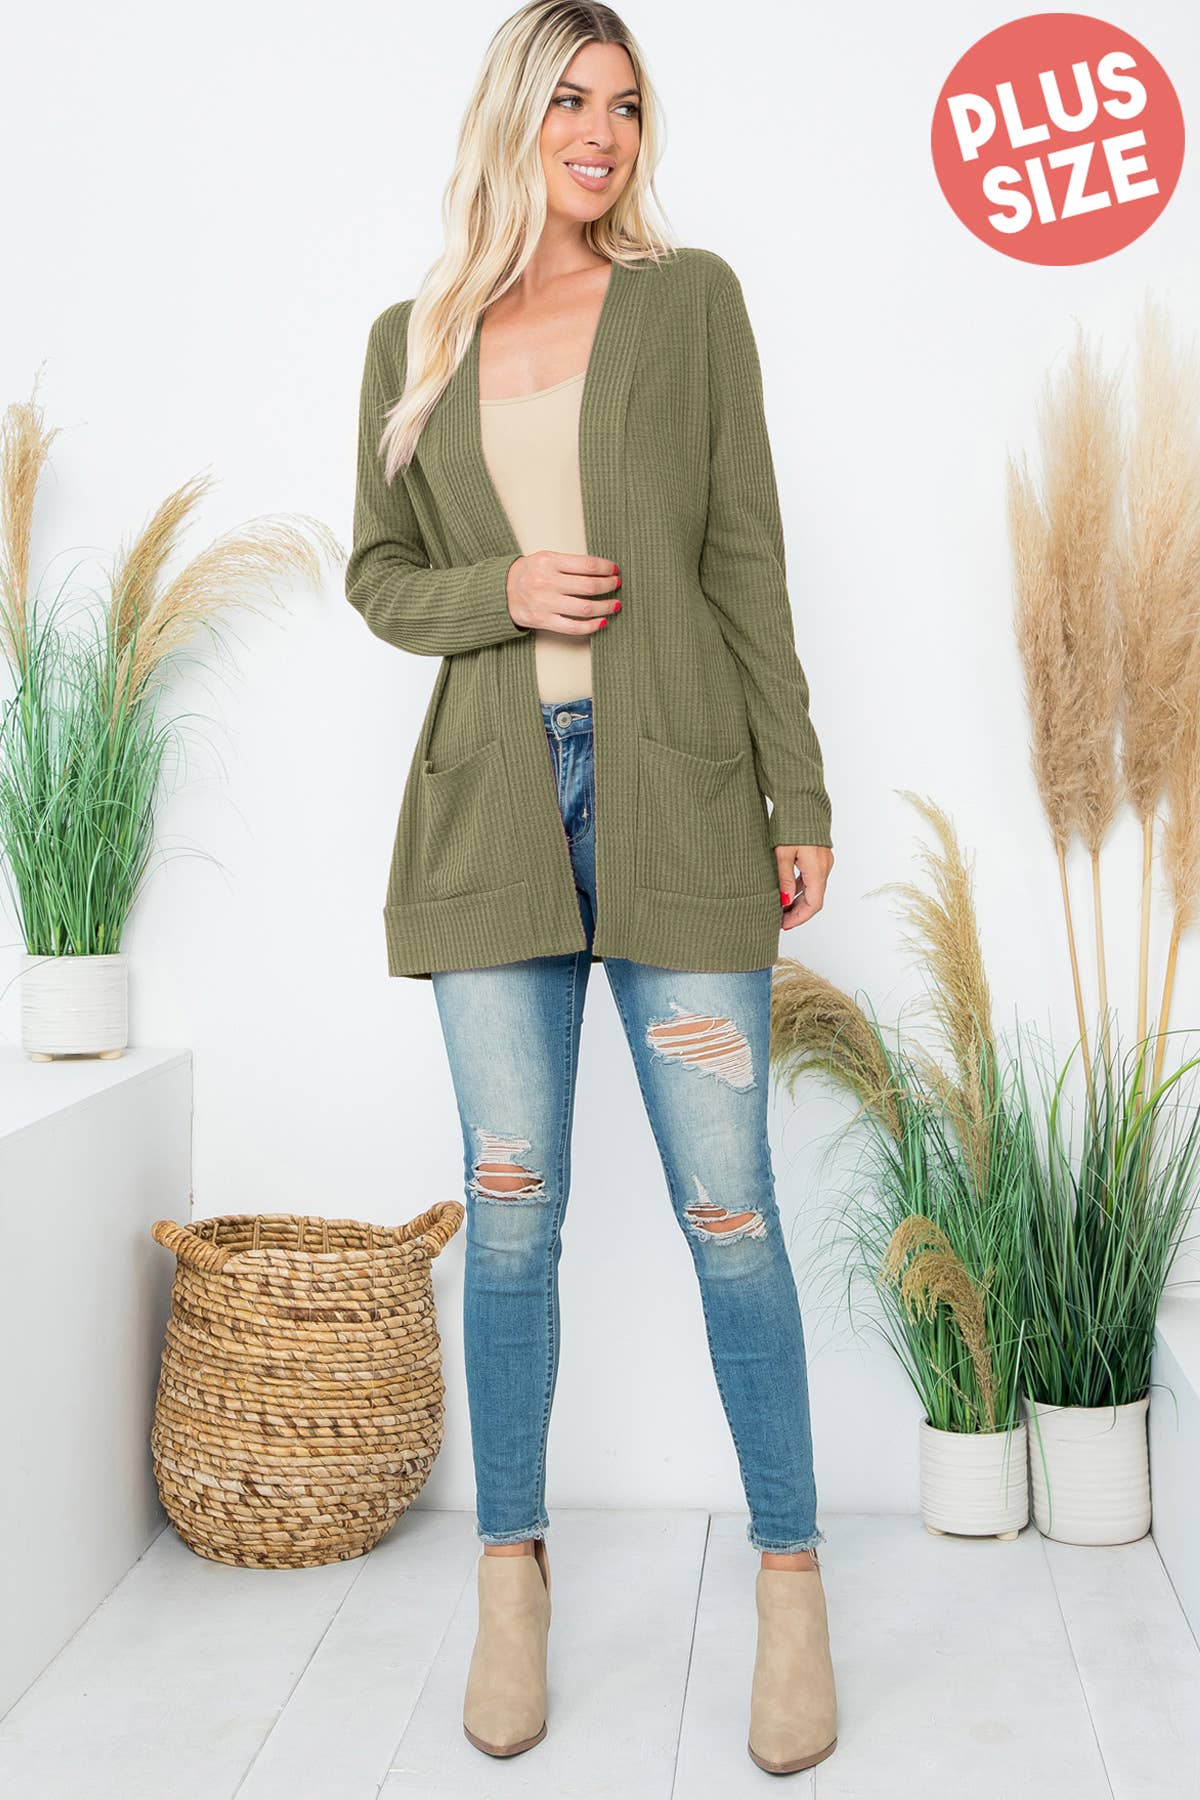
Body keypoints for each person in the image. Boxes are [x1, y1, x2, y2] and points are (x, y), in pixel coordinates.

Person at [346, 0, 838, 1775]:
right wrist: (504, 593)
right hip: (495, 818)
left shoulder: (690, 302)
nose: (601, 130)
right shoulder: (414, 339)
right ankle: (512, 1582)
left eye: (625, 103)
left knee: (732, 1212)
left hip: (684, 805)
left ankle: (791, 1585)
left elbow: (745, 553)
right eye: (569, 97)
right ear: (515, 116)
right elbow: (378, 577)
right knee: (511, 1214)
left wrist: (797, 785)